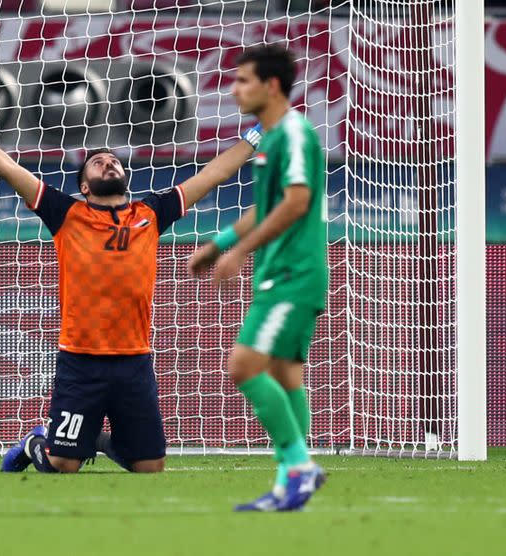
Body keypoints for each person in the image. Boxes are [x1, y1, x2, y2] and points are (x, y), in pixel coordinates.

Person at [0, 82, 262, 474]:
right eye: (98, 162)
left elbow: (213, 173)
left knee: (150, 468)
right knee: (63, 465)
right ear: (84, 187)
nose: (108, 163)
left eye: (113, 161)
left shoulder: (151, 213)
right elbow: (6, 166)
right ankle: (39, 441)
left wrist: (257, 135)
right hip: (81, 363)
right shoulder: (66, 213)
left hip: (134, 360)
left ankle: (94, 441)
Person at [188, 43, 328, 511]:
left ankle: (299, 467)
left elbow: (296, 202)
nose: (233, 89)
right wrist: (219, 245)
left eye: (243, 80)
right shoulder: (270, 140)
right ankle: (290, 483)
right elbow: (264, 209)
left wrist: (240, 252)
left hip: (291, 275)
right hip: (280, 273)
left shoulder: (292, 134)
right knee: (286, 377)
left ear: (271, 86)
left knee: (243, 366)